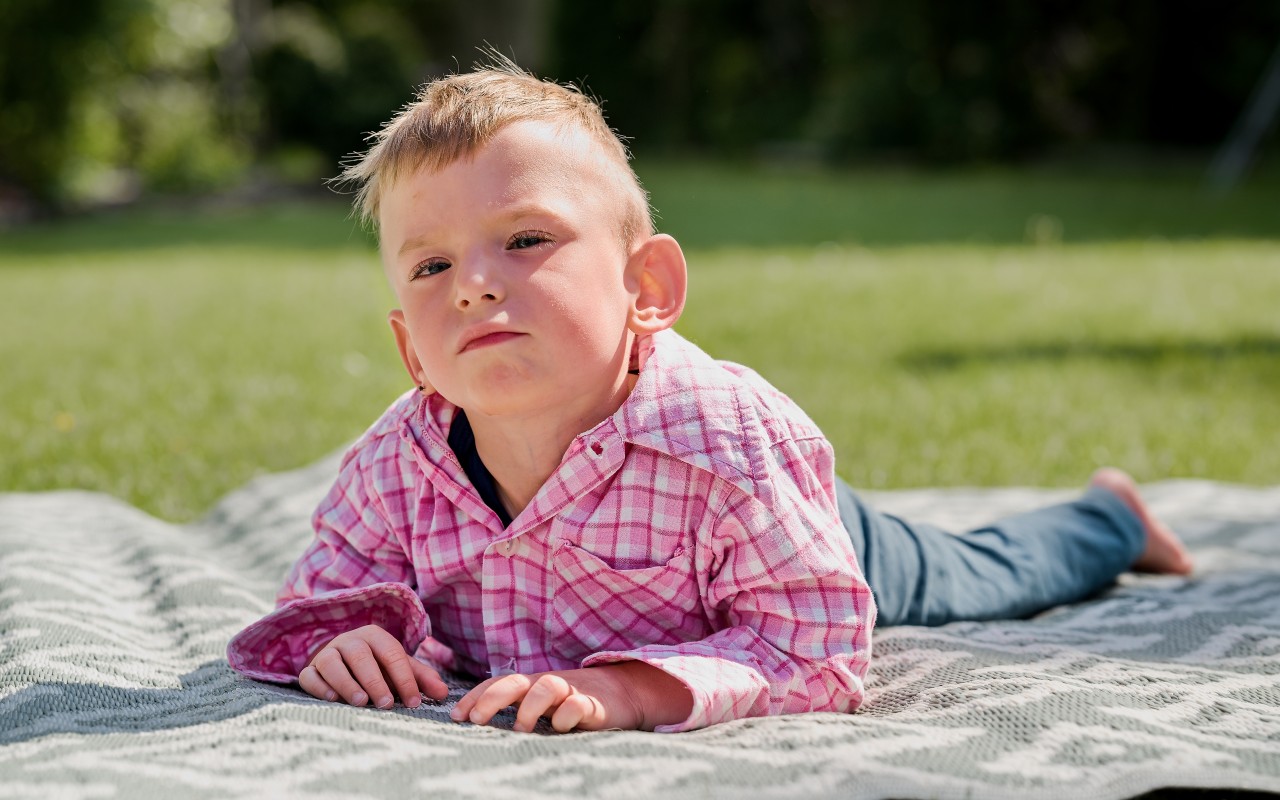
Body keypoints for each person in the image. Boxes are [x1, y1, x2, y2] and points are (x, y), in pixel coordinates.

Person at [225, 60, 1193, 735]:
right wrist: (343, 635)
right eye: (431, 264)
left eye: (524, 240)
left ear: (645, 288)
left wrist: (632, 688)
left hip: (792, 541)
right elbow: (324, 587)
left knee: (976, 573)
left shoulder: (727, 443)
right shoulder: (398, 463)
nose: (473, 283)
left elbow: (812, 645)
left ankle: (1105, 517)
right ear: (409, 346)